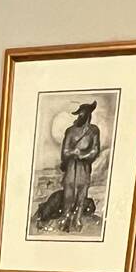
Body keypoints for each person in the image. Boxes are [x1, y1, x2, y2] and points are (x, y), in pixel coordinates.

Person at [60, 100, 102, 233]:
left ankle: (77, 218)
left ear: (88, 115)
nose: (80, 117)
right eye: (79, 114)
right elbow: (65, 151)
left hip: (84, 168)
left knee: (82, 195)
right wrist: (74, 153)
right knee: (68, 194)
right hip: (71, 167)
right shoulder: (70, 131)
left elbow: (95, 150)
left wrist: (83, 155)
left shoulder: (93, 131)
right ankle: (65, 218)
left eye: (82, 114)